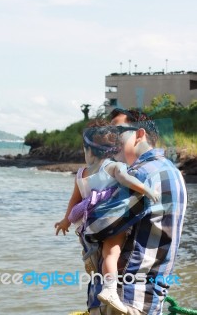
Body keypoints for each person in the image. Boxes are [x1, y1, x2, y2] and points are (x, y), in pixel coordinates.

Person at [83, 109, 187, 315]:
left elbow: (96, 228)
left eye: (117, 131)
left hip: (124, 298)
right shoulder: (172, 171)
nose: (111, 139)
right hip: (149, 298)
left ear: (139, 135)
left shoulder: (141, 174)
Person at [54, 119, 160, 314]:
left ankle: (93, 265)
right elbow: (127, 180)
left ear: (89, 151)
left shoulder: (81, 173)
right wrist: (146, 190)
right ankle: (111, 290)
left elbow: (74, 202)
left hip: (90, 226)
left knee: (99, 256)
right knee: (111, 254)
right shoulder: (113, 166)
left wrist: (65, 221)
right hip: (110, 221)